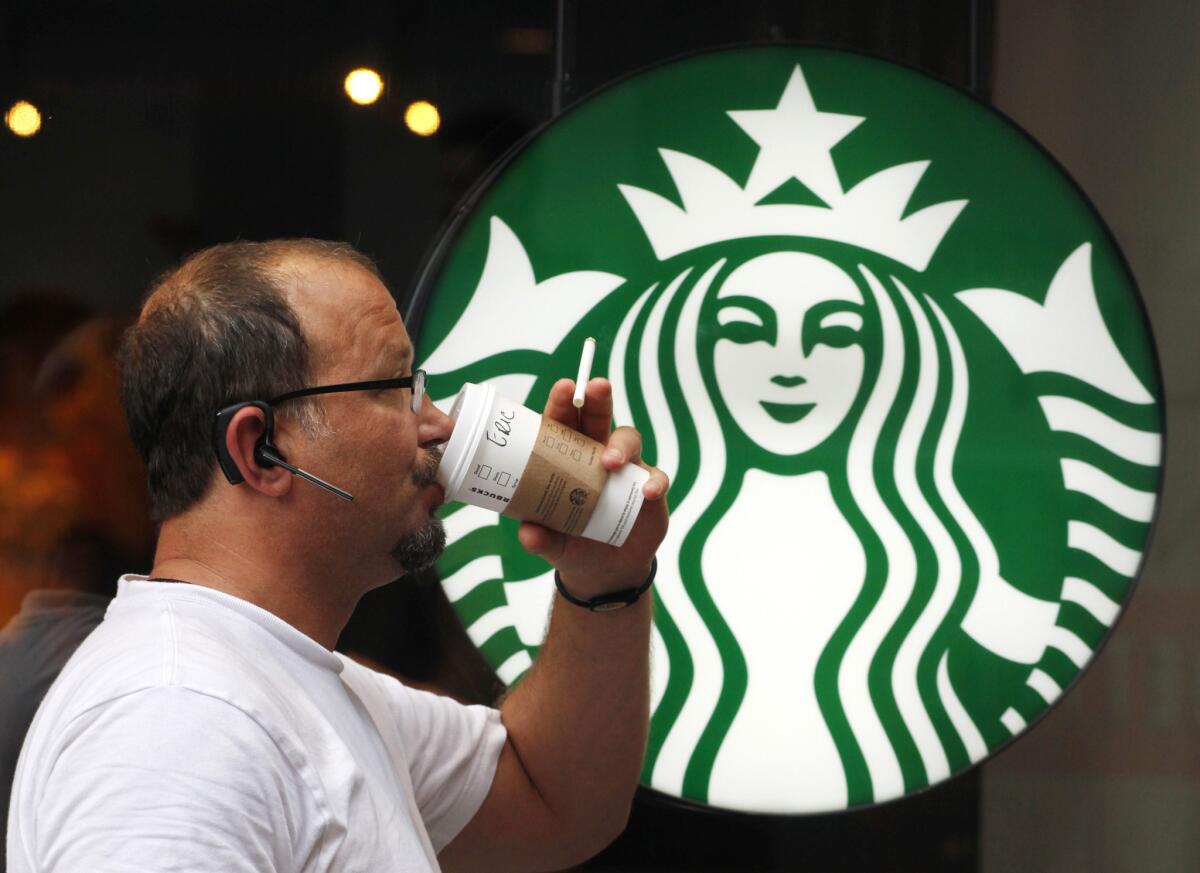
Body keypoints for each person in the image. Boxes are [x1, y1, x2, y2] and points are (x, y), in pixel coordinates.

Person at [6, 239, 670, 872]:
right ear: (259, 449)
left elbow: (554, 800)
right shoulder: (179, 721)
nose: (435, 422)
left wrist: (603, 572)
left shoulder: (280, 679)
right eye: (395, 385)